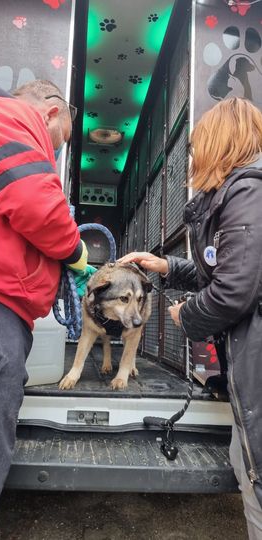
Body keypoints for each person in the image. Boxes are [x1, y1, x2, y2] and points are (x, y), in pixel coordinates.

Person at [119, 97, 262, 539]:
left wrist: (188, 316)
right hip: (247, 364)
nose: (194, 155)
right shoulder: (231, 198)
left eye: (198, 144)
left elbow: (234, 289)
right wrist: (164, 266)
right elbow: (220, 270)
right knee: (247, 465)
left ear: (222, 143)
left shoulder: (248, 193)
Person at [0, 79, 87, 540]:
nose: (55, 154)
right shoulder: (9, 117)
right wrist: (75, 252)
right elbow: (36, 205)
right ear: (50, 114)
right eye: (63, 142)